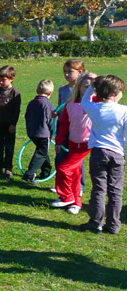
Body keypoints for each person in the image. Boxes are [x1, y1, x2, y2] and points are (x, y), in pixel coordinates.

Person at [80, 74, 127, 234]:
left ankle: (95, 223)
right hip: (117, 154)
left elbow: (84, 101)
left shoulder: (94, 108)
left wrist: (93, 85)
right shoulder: (124, 111)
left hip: (98, 153)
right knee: (116, 191)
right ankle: (113, 225)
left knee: (99, 189)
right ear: (114, 93)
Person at [51, 73, 95, 214]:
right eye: (87, 86)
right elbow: (64, 125)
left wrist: (95, 79)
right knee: (75, 174)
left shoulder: (96, 104)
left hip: (87, 144)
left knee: (64, 169)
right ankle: (76, 202)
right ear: (79, 87)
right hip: (72, 143)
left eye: (93, 86)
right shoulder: (70, 104)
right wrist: (59, 141)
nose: (90, 89)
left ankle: (67, 196)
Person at [0, 65, 22, 178]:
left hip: (9, 125)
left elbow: (16, 110)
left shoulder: (15, 92)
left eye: (4, 79)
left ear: (12, 78)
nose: (1, 82)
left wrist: (13, 124)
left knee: (9, 147)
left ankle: (8, 167)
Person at [23, 79, 56, 185]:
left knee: (42, 151)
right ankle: (30, 175)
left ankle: (46, 172)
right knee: (41, 153)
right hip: (43, 134)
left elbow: (26, 116)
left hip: (32, 132)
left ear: (37, 90)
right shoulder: (48, 105)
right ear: (50, 93)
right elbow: (51, 121)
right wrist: (53, 133)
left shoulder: (32, 103)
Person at [55, 59, 86, 171]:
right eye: (65, 72)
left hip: (77, 125)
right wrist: (56, 112)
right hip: (63, 125)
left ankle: (79, 186)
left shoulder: (84, 90)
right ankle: (60, 184)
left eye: (70, 71)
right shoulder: (62, 89)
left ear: (80, 72)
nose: (66, 74)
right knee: (60, 154)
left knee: (76, 157)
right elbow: (60, 107)